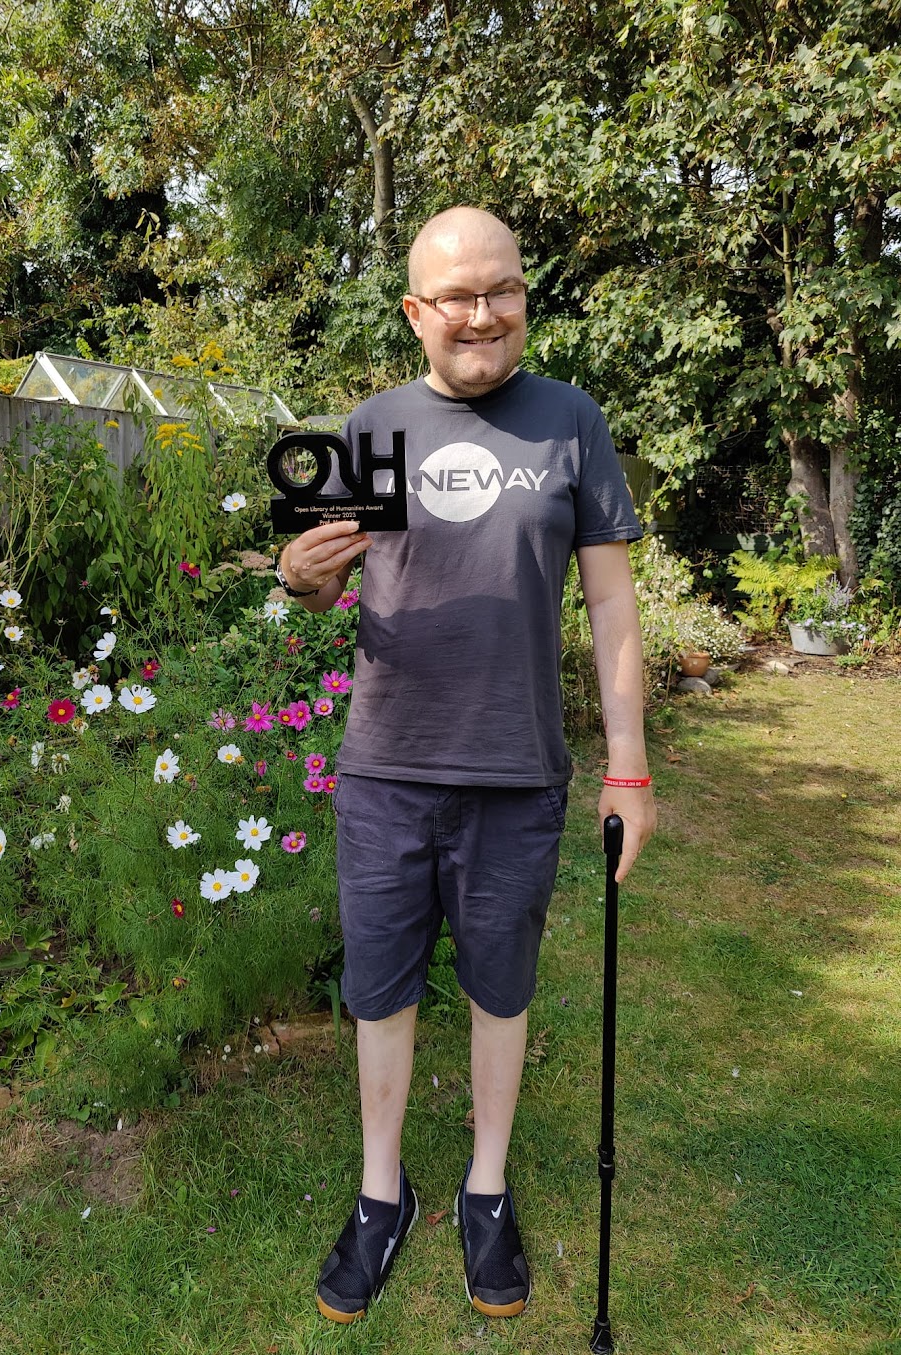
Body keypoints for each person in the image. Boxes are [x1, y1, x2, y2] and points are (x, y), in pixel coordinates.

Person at [274, 205, 656, 1323]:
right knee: (379, 987)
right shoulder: (373, 424)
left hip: (516, 768)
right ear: (414, 312)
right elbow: (323, 581)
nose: (480, 313)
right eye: (455, 296)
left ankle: (485, 1188)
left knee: (500, 984)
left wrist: (626, 767)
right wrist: (300, 574)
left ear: (523, 296)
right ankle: (378, 1192)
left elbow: (610, 602)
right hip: (387, 768)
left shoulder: (568, 421)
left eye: (501, 289)